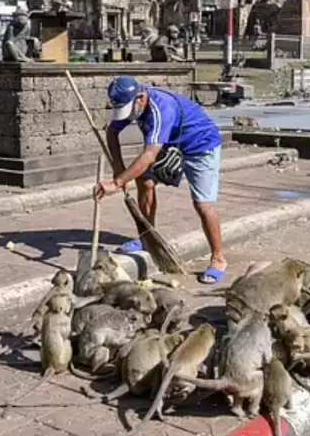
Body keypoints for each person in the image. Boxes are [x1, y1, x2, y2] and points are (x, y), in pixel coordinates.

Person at [94, 75, 227, 285]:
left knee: (203, 204)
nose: (127, 116)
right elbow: (112, 132)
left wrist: (118, 183)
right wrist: (118, 168)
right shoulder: (133, 103)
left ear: (140, 97)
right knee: (144, 182)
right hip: (171, 144)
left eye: (129, 109)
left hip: (201, 146)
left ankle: (218, 259)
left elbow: (149, 156)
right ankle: (148, 237)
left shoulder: (160, 108)